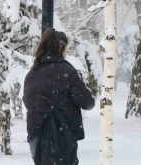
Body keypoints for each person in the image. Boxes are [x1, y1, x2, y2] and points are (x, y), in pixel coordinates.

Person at [23, 28, 96, 164]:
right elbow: (86, 101)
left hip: (36, 135)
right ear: (60, 47)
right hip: (60, 136)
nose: (67, 52)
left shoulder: (32, 73)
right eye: (66, 48)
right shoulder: (66, 71)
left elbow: (28, 101)